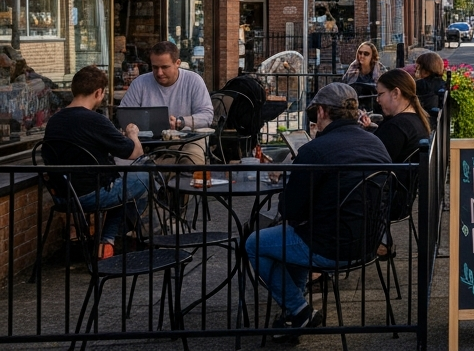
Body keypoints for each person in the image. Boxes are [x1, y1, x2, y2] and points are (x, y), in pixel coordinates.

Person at [245, 83, 391, 339]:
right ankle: (292, 315)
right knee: (298, 232)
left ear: (322, 111)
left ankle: (298, 309)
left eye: (315, 114)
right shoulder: (376, 143)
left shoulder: (315, 150)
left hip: (329, 246)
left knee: (254, 243)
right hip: (369, 242)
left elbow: (290, 209)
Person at [42, 65, 148, 259]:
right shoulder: (95, 120)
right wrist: (132, 134)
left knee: (123, 185)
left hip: (62, 195)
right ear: (99, 92)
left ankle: (106, 242)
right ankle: (108, 240)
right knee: (146, 176)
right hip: (91, 195)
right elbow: (135, 153)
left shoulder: (54, 120)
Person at [121, 41, 214, 163]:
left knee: (192, 162)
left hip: (189, 141)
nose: (159, 73)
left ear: (177, 63)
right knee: (130, 163)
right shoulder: (140, 83)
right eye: (155, 67)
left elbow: (207, 116)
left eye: (165, 67)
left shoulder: (194, 81)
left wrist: (181, 122)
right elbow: (125, 116)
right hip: (149, 142)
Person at [363, 70, 430, 164]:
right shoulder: (417, 119)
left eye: (380, 94)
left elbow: (372, 162)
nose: (377, 100)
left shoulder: (395, 127)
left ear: (395, 93)